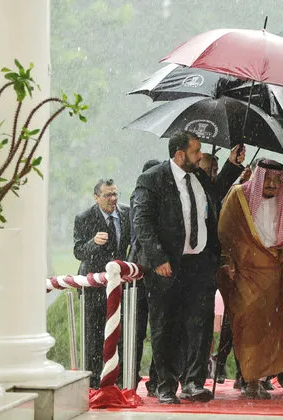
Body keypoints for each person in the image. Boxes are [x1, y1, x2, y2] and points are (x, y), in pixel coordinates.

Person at [132, 132, 244, 404]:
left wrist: (233, 164)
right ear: (179, 154)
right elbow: (142, 223)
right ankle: (166, 386)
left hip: (199, 266)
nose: (200, 156)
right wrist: (158, 259)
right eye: (196, 151)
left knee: (200, 326)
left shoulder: (199, 178)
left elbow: (217, 193)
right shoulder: (153, 179)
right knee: (165, 327)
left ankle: (193, 383)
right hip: (167, 267)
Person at [217, 159, 283, 399]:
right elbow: (225, 232)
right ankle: (250, 379)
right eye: (268, 179)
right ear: (258, 177)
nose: (274, 185)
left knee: (273, 325)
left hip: (275, 269)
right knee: (249, 323)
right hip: (247, 270)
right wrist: (229, 262)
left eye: (278, 179)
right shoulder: (239, 196)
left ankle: (259, 378)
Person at [73, 178, 130, 389]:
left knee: (120, 334)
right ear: (96, 197)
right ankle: (93, 383)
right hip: (93, 287)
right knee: (94, 336)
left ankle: (120, 380)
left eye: (115, 194)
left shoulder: (127, 214)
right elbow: (78, 251)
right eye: (107, 195)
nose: (113, 199)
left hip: (119, 285)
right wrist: (93, 243)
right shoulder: (84, 218)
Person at [128, 159, 161, 396]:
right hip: (143, 270)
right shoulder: (142, 199)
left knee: (148, 329)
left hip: (146, 270)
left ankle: (137, 378)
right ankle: (135, 378)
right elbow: (140, 233)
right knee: (142, 329)